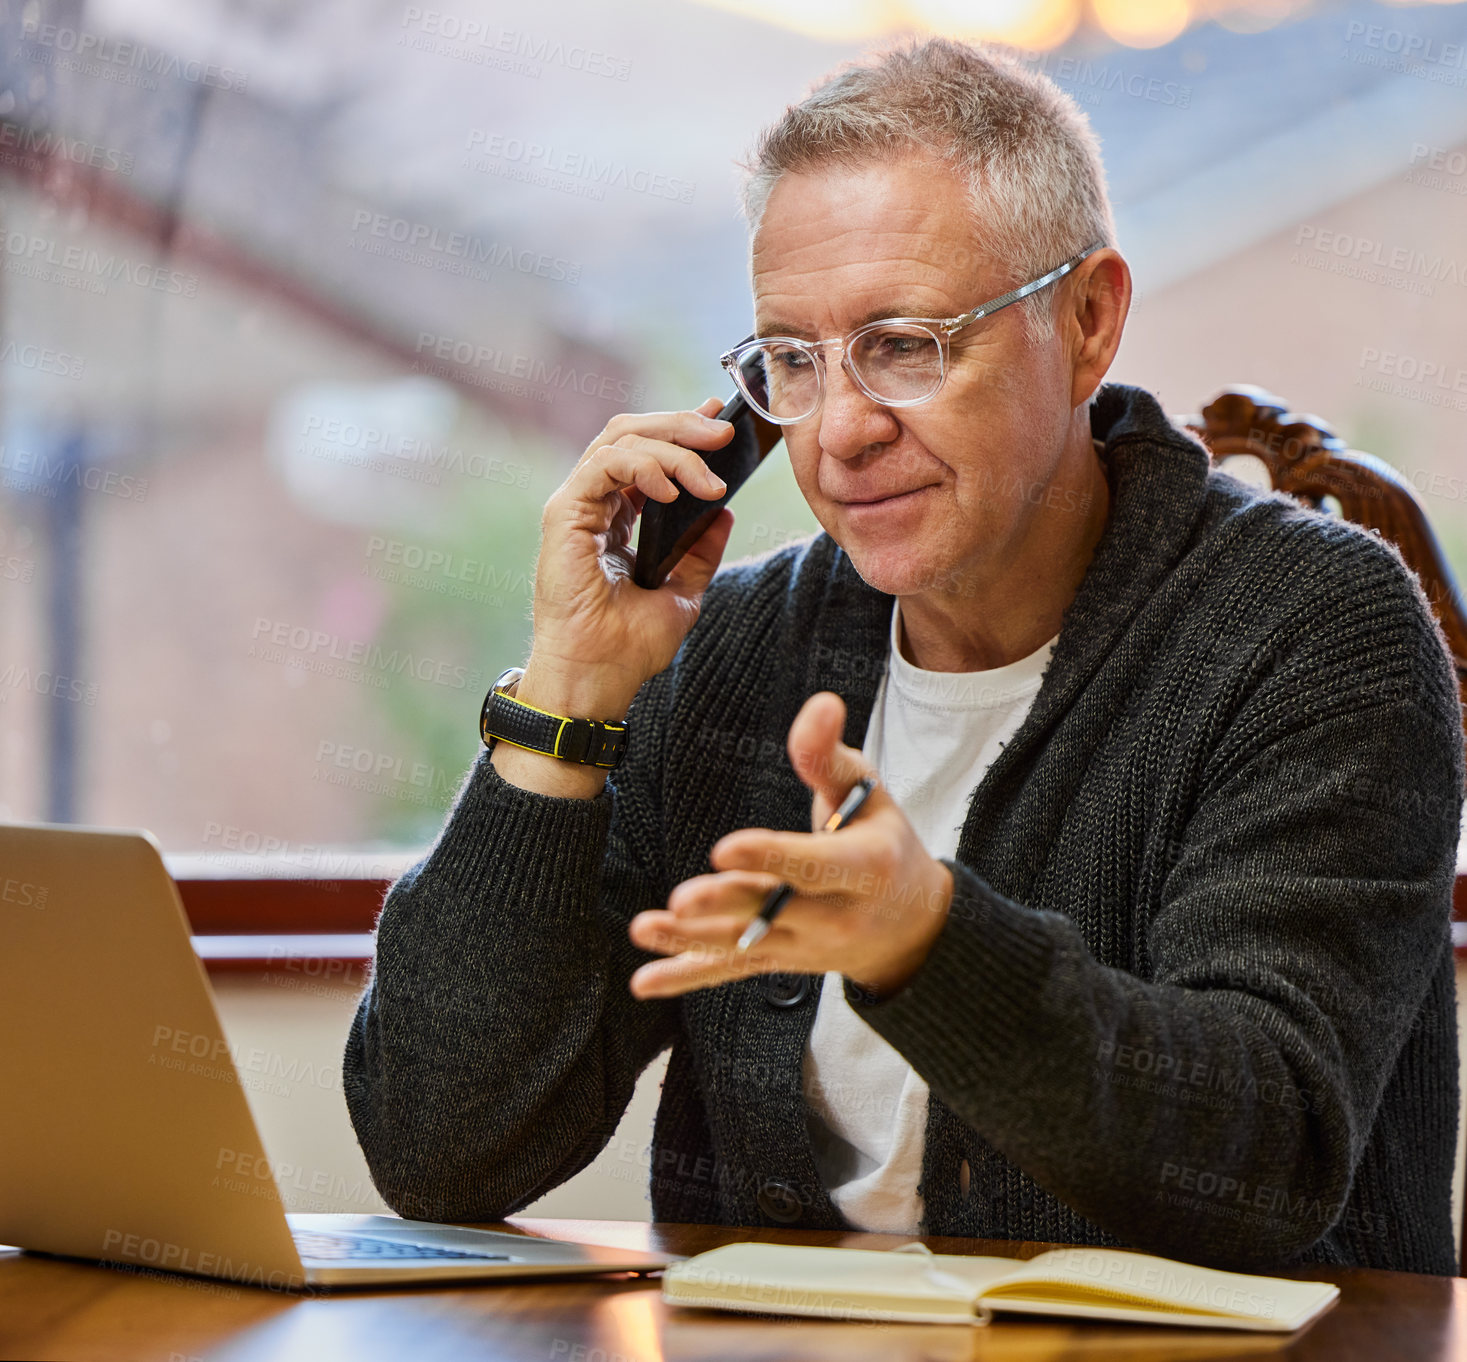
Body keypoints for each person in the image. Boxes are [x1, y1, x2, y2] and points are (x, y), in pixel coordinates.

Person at [344, 37, 1466, 1275]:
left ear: (1087, 322)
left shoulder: (1316, 628)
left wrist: (929, 945)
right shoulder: (735, 654)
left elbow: (1268, 1155)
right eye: (794, 360)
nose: (840, 431)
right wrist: (567, 697)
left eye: (905, 344)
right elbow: (440, 1151)